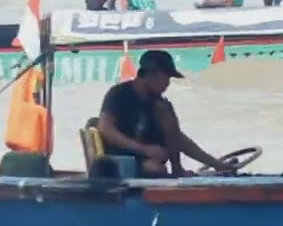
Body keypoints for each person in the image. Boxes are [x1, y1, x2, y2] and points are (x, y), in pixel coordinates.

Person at [97, 50, 235, 177]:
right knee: (156, 169)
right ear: (151, 74)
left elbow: (178, 139)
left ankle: (177, 169)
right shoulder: (119, 94)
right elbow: (105, 128)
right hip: (118, 161)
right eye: (166, 77)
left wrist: (216, 165)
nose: (167, 84)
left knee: (166, 115)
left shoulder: (160, 105)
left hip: (150, 161)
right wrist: (144, 149)